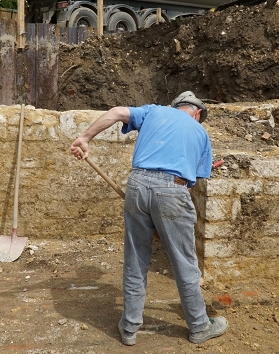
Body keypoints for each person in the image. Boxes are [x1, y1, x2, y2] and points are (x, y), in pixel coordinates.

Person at [70, 91, 227, 345]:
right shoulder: (201, 134)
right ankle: (199, 326)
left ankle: (130, 328)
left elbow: (117, 112)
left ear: (175, 107)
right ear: (197, 113)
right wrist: (167, 217)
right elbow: (191, 184)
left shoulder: (154, 111)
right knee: (185, 263)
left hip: (137, 184)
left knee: (136, 259)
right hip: (174, 188)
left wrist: (85, 138)